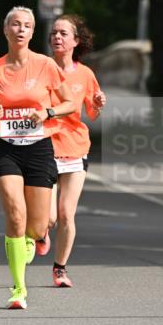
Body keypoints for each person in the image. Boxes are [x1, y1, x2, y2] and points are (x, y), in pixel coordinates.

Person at [0, 6, 76, 310]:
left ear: (32, 32)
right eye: (15, 24)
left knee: (38, 226)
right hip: (7, 149)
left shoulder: (46, 66)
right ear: (5, 30)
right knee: (15, 213)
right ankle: (19, 289)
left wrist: (47, 112)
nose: (20, 30)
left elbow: (70, 102)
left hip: (40, 148)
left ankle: (33, 238)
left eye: (27, 26)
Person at [48, 15, 106, 287]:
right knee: (46, 219)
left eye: (63, 33)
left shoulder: (85, 74)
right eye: (54, 33)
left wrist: (97, 101)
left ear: (75, 41)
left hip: (75, 147)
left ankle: (60, 269)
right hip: (43, 146)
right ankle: (38, 234)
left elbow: (92, 114)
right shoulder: (40, 68)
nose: (57, 37)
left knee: (66, 214)